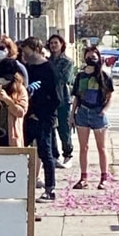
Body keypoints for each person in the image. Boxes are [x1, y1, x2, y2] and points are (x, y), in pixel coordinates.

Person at [19, 37, 61, 202]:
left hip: (43, 118)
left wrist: (42, 114)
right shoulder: (27, 68)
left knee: (46, 153)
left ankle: (50, 189)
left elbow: (56, 98)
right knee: (19, 148)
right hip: (27, 116)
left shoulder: (49, 68)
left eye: (26, 50)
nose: (24, 53)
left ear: (35, 48)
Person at [70, 46, 114, 190]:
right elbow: (76, 96)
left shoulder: (104, 76)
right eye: (88, 56)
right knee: (84, 147)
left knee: (101, 148)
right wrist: (72, 114)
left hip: (97, 113)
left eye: (93, 56)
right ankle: (83, 177)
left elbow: (109, 95)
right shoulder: (80, 76)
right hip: (83, 112)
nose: (91, 59)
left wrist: (104, 110)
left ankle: (104, 177)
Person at [47, 34, 77, 168]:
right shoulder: (47, 61)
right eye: (51, 43)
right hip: (49, 99)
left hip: (62, 99)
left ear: (61, 44)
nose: (53, 45)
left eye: (56, 43)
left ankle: (67, 153)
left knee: (64, 128)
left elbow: (64, 78)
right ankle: (54, 155)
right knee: (50, 128)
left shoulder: (67, 62)